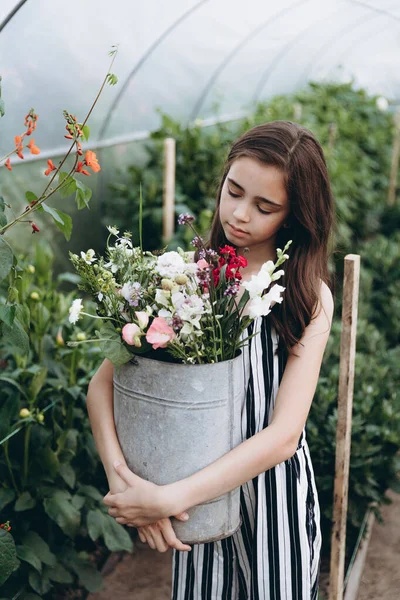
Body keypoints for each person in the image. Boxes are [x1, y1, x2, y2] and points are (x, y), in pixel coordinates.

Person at [90, 120, 336, 599]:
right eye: (234, 191)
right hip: (195, 490)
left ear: (294, 216)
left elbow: (284, 437)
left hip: (273, 499)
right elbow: (102, 387)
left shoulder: (307, 297)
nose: (240, 214)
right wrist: (129, 488)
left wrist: (169, 497)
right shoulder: (186, 279)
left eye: (265, 207)